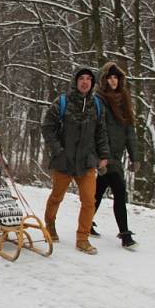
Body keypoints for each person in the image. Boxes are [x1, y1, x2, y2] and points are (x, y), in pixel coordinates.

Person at [41, 67, 110, 255]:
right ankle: (50, 224)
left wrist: (103, 156)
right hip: (64, 161)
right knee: (57, 197)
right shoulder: (62, 102)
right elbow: (47, 128)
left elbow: (101, 132)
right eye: (82, 78)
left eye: (88, 79)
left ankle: (83, 238)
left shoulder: (96, 105)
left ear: (93, 83)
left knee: (89, 201)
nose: (85, 82)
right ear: (75, 81)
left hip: (87, 161)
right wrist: (58, 150)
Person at [93, 62, 140, 250]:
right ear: (104, 80)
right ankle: (125, 235)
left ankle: (86, 223)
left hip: (117, 155)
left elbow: (130, 131)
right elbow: (98, 130)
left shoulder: (124, 100)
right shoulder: (99, 100)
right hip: (105, 155)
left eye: (116, 77)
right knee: (120, 191)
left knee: (98, 191)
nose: (113, 81)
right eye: (110, 78)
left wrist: (135, 156)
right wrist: (101, 156)